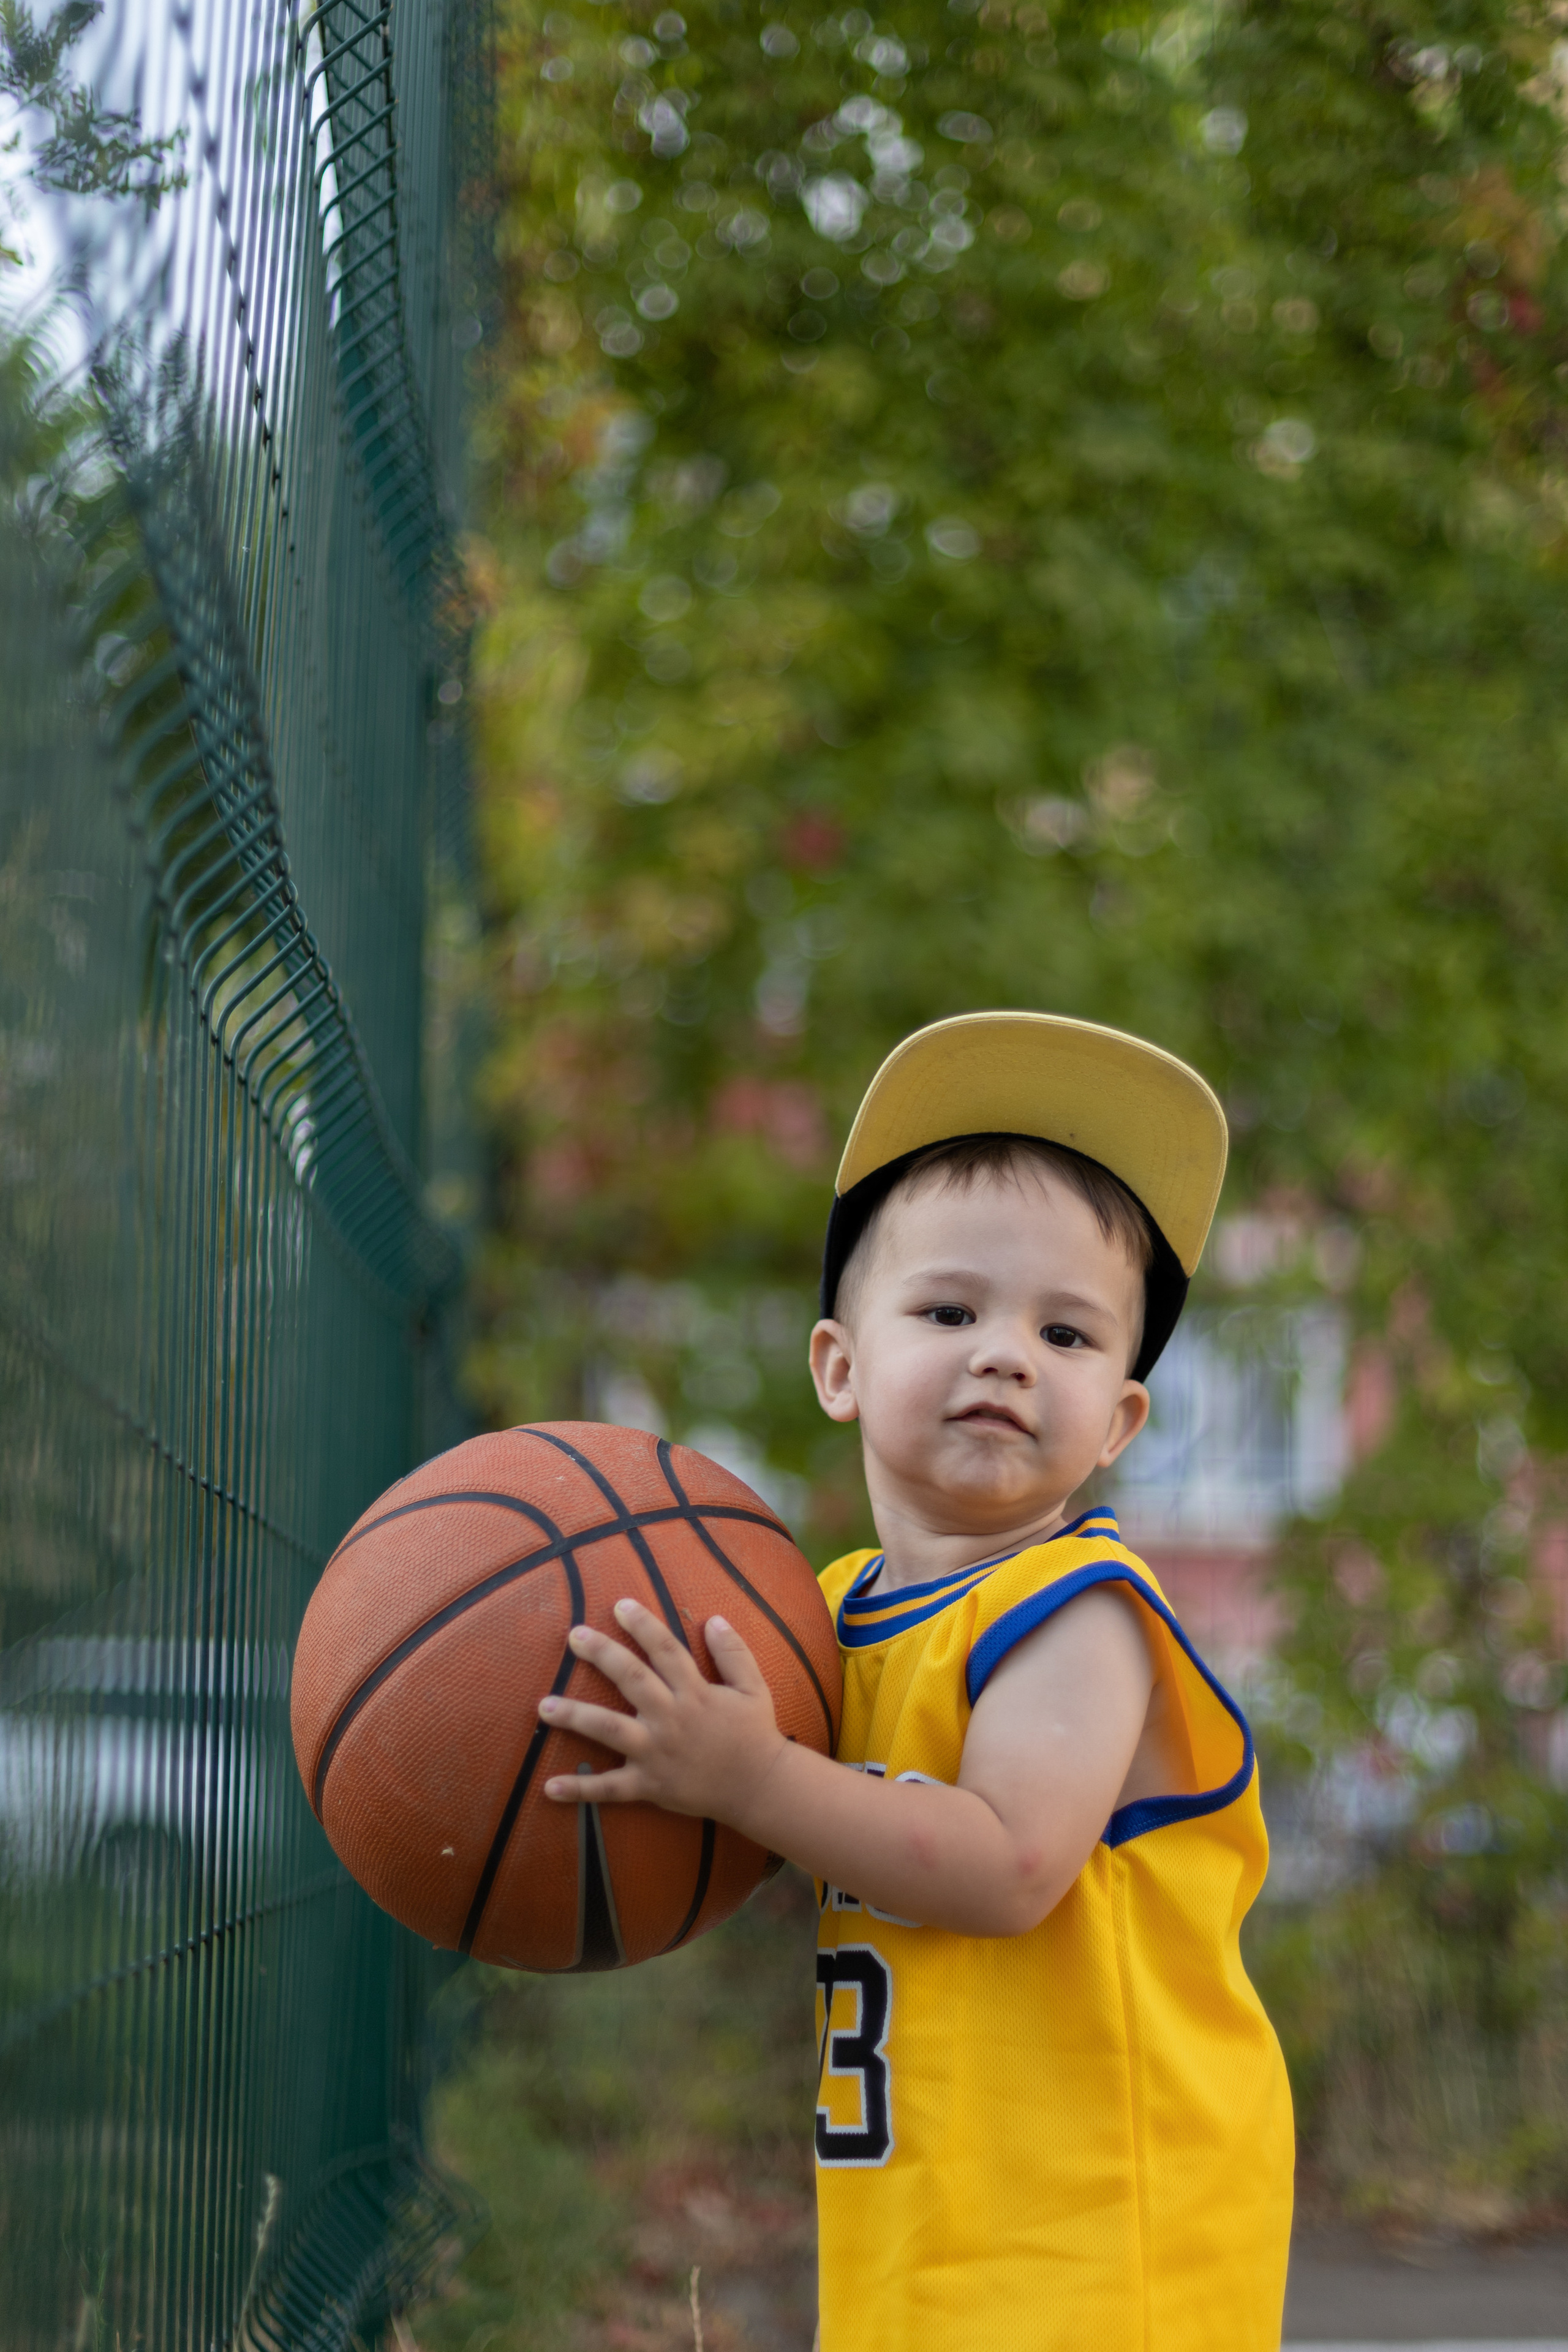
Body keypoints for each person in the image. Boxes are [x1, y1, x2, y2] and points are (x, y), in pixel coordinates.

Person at [537, 1011, 1295, 2351]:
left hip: (1098, 2248)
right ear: (840, 1366)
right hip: (915, 2239)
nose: (1004, 1350)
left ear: (1118, 1420)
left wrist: (752, 1775)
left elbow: (1003, 1864)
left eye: (1066, 1336)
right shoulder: (821, 1618)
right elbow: (756, 1825)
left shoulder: (1081, 1612)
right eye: (949, 1309)